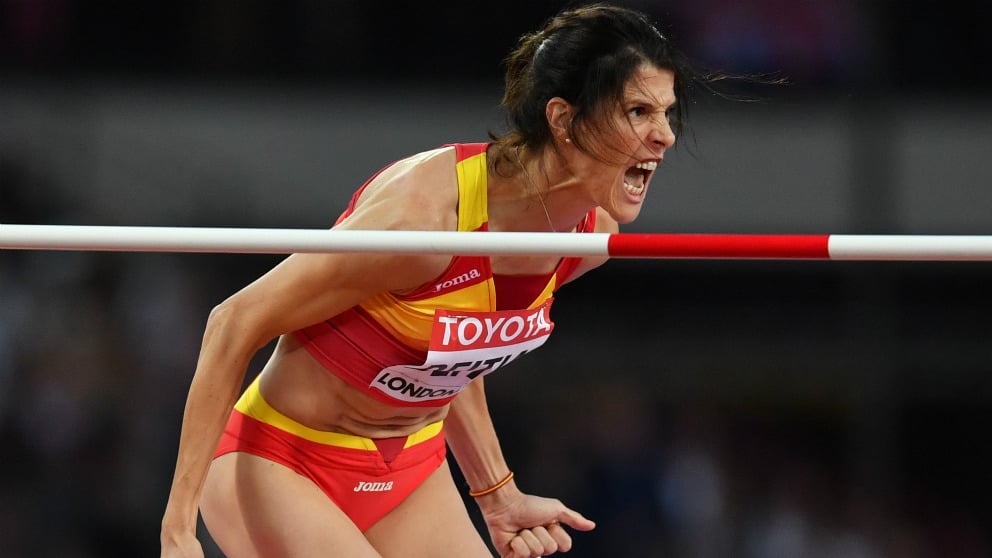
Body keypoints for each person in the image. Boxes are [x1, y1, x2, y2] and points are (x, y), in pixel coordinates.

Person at [160, 4, 720, 557]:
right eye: (639, 112)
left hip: (410, 470)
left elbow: (452, 348)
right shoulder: (424, 220)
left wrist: (498, 495)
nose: (665, 136)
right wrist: (178, 530)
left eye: (667, 113)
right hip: (284, 463)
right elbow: (232, 322)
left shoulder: (582, 242)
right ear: (563, 119)